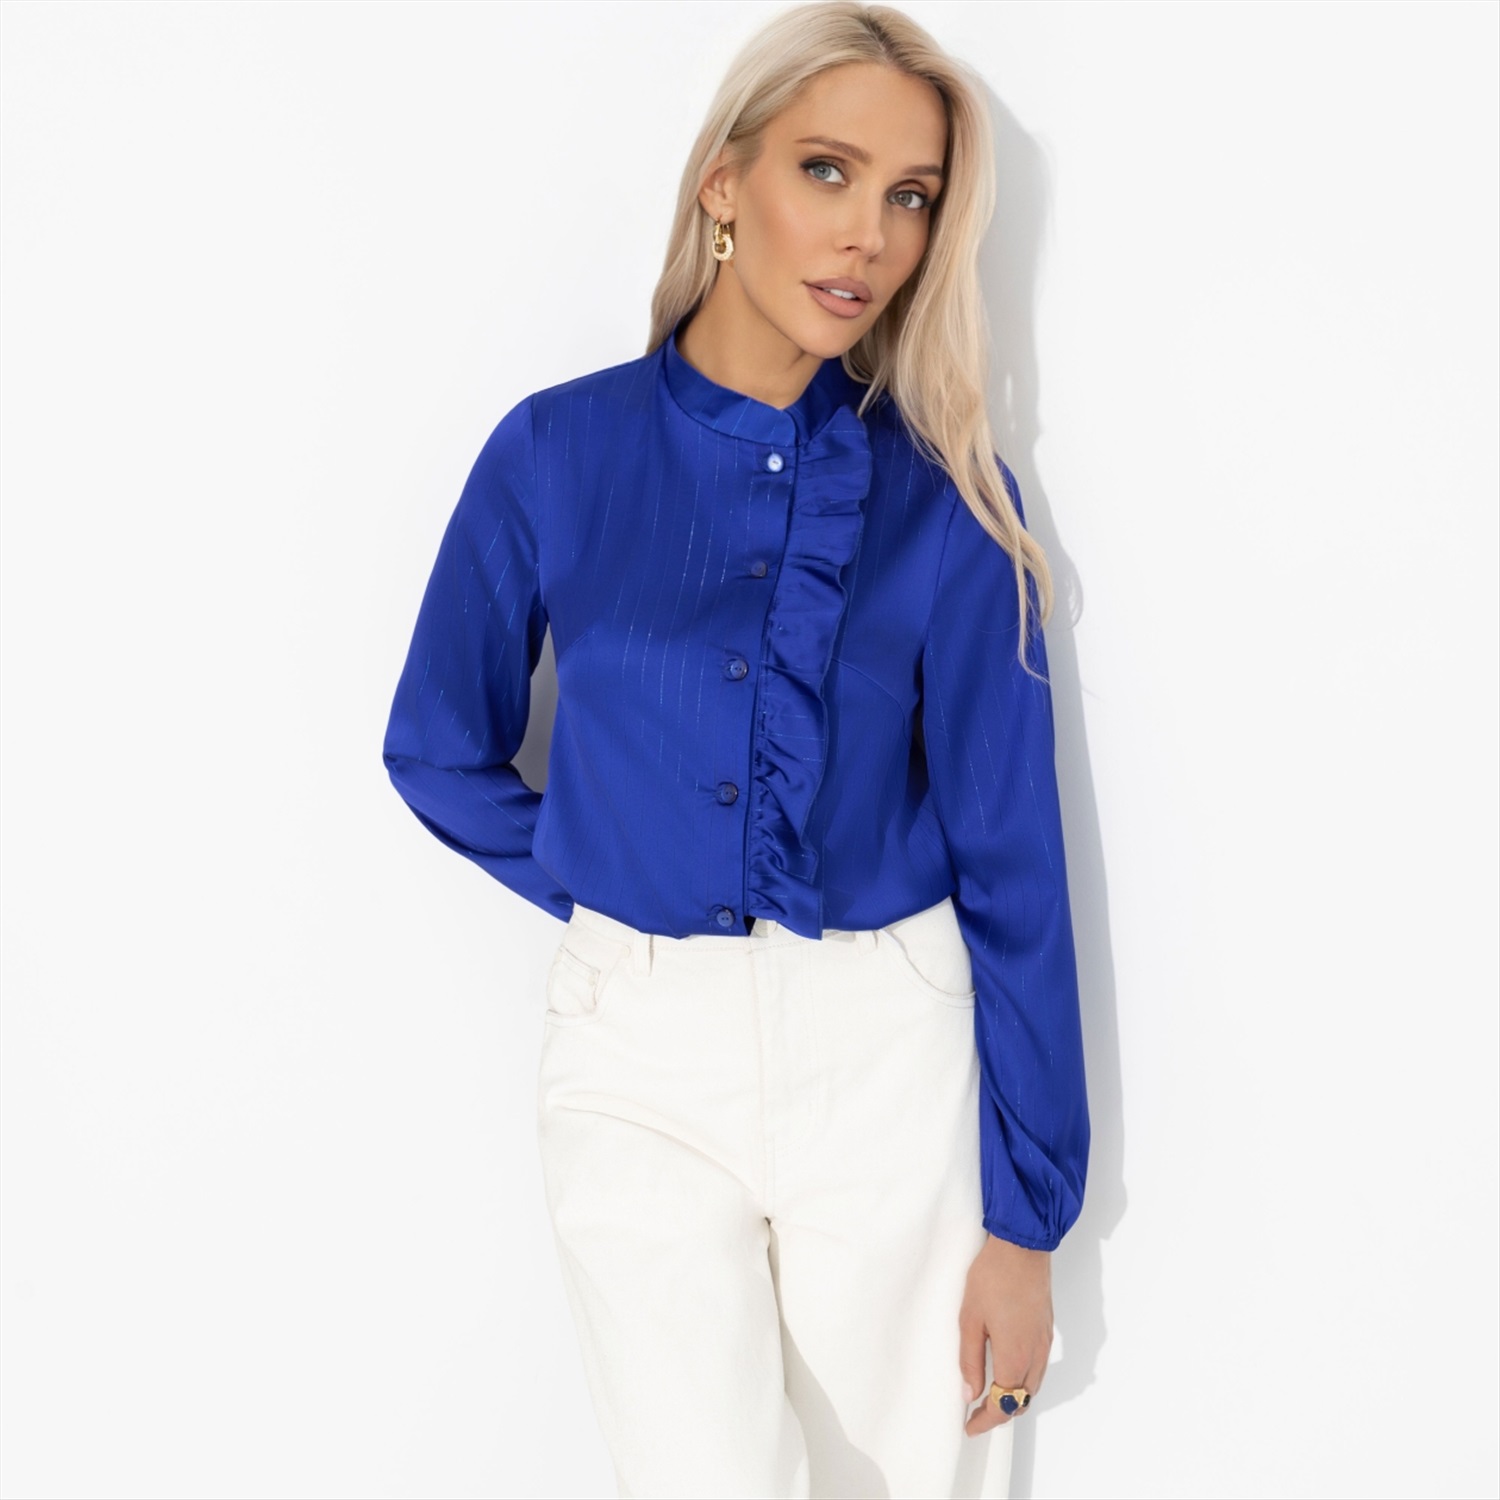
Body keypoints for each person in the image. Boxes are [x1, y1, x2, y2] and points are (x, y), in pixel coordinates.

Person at [381, 3, 1089, 1495]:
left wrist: (1028, 1224)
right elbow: (437, 748)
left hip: (889, 1048)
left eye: (911, 196)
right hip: (634, 1055)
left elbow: (1012, 858)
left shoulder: (950, 492)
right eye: (828, 171)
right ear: (725, 180)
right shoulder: (556, 453)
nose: (870, 236)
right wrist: (615, 869)